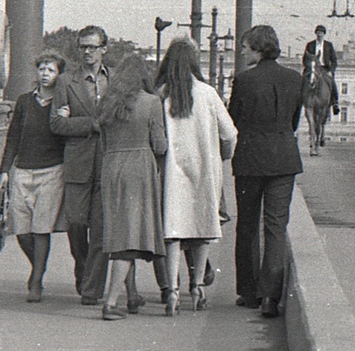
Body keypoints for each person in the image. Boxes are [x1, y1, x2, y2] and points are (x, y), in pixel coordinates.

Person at [50, 25, 135, 306]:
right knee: (75, 222)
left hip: (109, 162)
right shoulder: (65, 81)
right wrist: (91, 124)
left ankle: (92, 288)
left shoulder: (115, 80)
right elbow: (57, 123)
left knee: (100, 228)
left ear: (104, 49)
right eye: (82, 47)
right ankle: (83, 268)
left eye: (92, 47)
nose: (87, 52)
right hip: (77, 162)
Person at [158, 38, 237, 316]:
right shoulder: (207, 93)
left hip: (171, 172)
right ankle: (198, 287)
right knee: (202, 227)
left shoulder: (162, 95)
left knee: (173, 231)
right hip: (205, 169)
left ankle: (172, 291)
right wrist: (222, 155)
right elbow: (230, 133)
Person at [229, 24, 304, 318]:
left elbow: (234, 118)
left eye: (245, 46)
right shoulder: (294, 79)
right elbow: (294, 120)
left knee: (247, 225)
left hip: (250, 160)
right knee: (275, 227)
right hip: (284, 159)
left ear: (258, 48)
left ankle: (248, 292)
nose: (242, 51)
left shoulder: (244, 81)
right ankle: (270, 297)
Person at [97, 56, 167, 320]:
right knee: (130, 238)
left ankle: (132, 295)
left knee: (122, 232)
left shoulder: (107, 104)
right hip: (138, 169)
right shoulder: (151, 102)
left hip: (111, 166)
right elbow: (159, 145)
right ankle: (111, 303)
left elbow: (103, 142)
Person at [0, 50, 69, 302]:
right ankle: (37, 267)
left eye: (50, 70)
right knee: (21, 230)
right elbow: (13, 136)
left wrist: (66, 119)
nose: (45, 74)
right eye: (41, 68)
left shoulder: (62, 104)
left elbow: (68, 137)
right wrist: (5, 170)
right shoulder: (24, 101)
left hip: (52, 171)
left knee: (41, 229)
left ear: (59, 74)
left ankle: (37, 280)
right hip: (23, 171)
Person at [302, 24, 340, 117]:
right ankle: (300, 100)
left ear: (324, 34)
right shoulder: (310, 45)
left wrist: (331, 71)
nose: (319, 34)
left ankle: (335, 103)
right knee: (303, 80)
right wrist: (309, 66)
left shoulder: (328, 45)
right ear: (315, 34)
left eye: (321, 33)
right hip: (312, 68)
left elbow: (334, 60)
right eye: (318, 32)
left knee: (332, 83)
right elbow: (305, 59)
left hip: (324, 69)